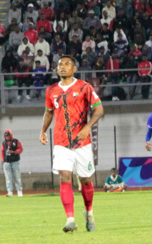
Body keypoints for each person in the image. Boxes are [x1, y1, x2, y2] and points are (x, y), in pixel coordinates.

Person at [40, 55, 104, 233]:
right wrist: (43, 131)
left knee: (85, 179)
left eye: (67, 64)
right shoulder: (51, 90)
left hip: (82, 142)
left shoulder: (84, 87)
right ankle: (70, 219)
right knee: (64, 176)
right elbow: (49, 113)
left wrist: (87, 128)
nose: (63, 67)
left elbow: (99, 109)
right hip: (61, 142)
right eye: (60, 64)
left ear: (74, 69)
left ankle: (89, 212)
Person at [1, 130, 24, 197]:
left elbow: (21, 149)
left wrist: (14, 152)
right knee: (8, 178)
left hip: (15, 162)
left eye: (8, 136)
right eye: (6, 136)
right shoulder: (4, 143)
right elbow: (2, 152)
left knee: (17, 177)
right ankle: (10, 191)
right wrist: (3, 160)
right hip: (7, 162)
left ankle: (19, 191)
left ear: (11, 135)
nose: (7, 137)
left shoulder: (16, 141)